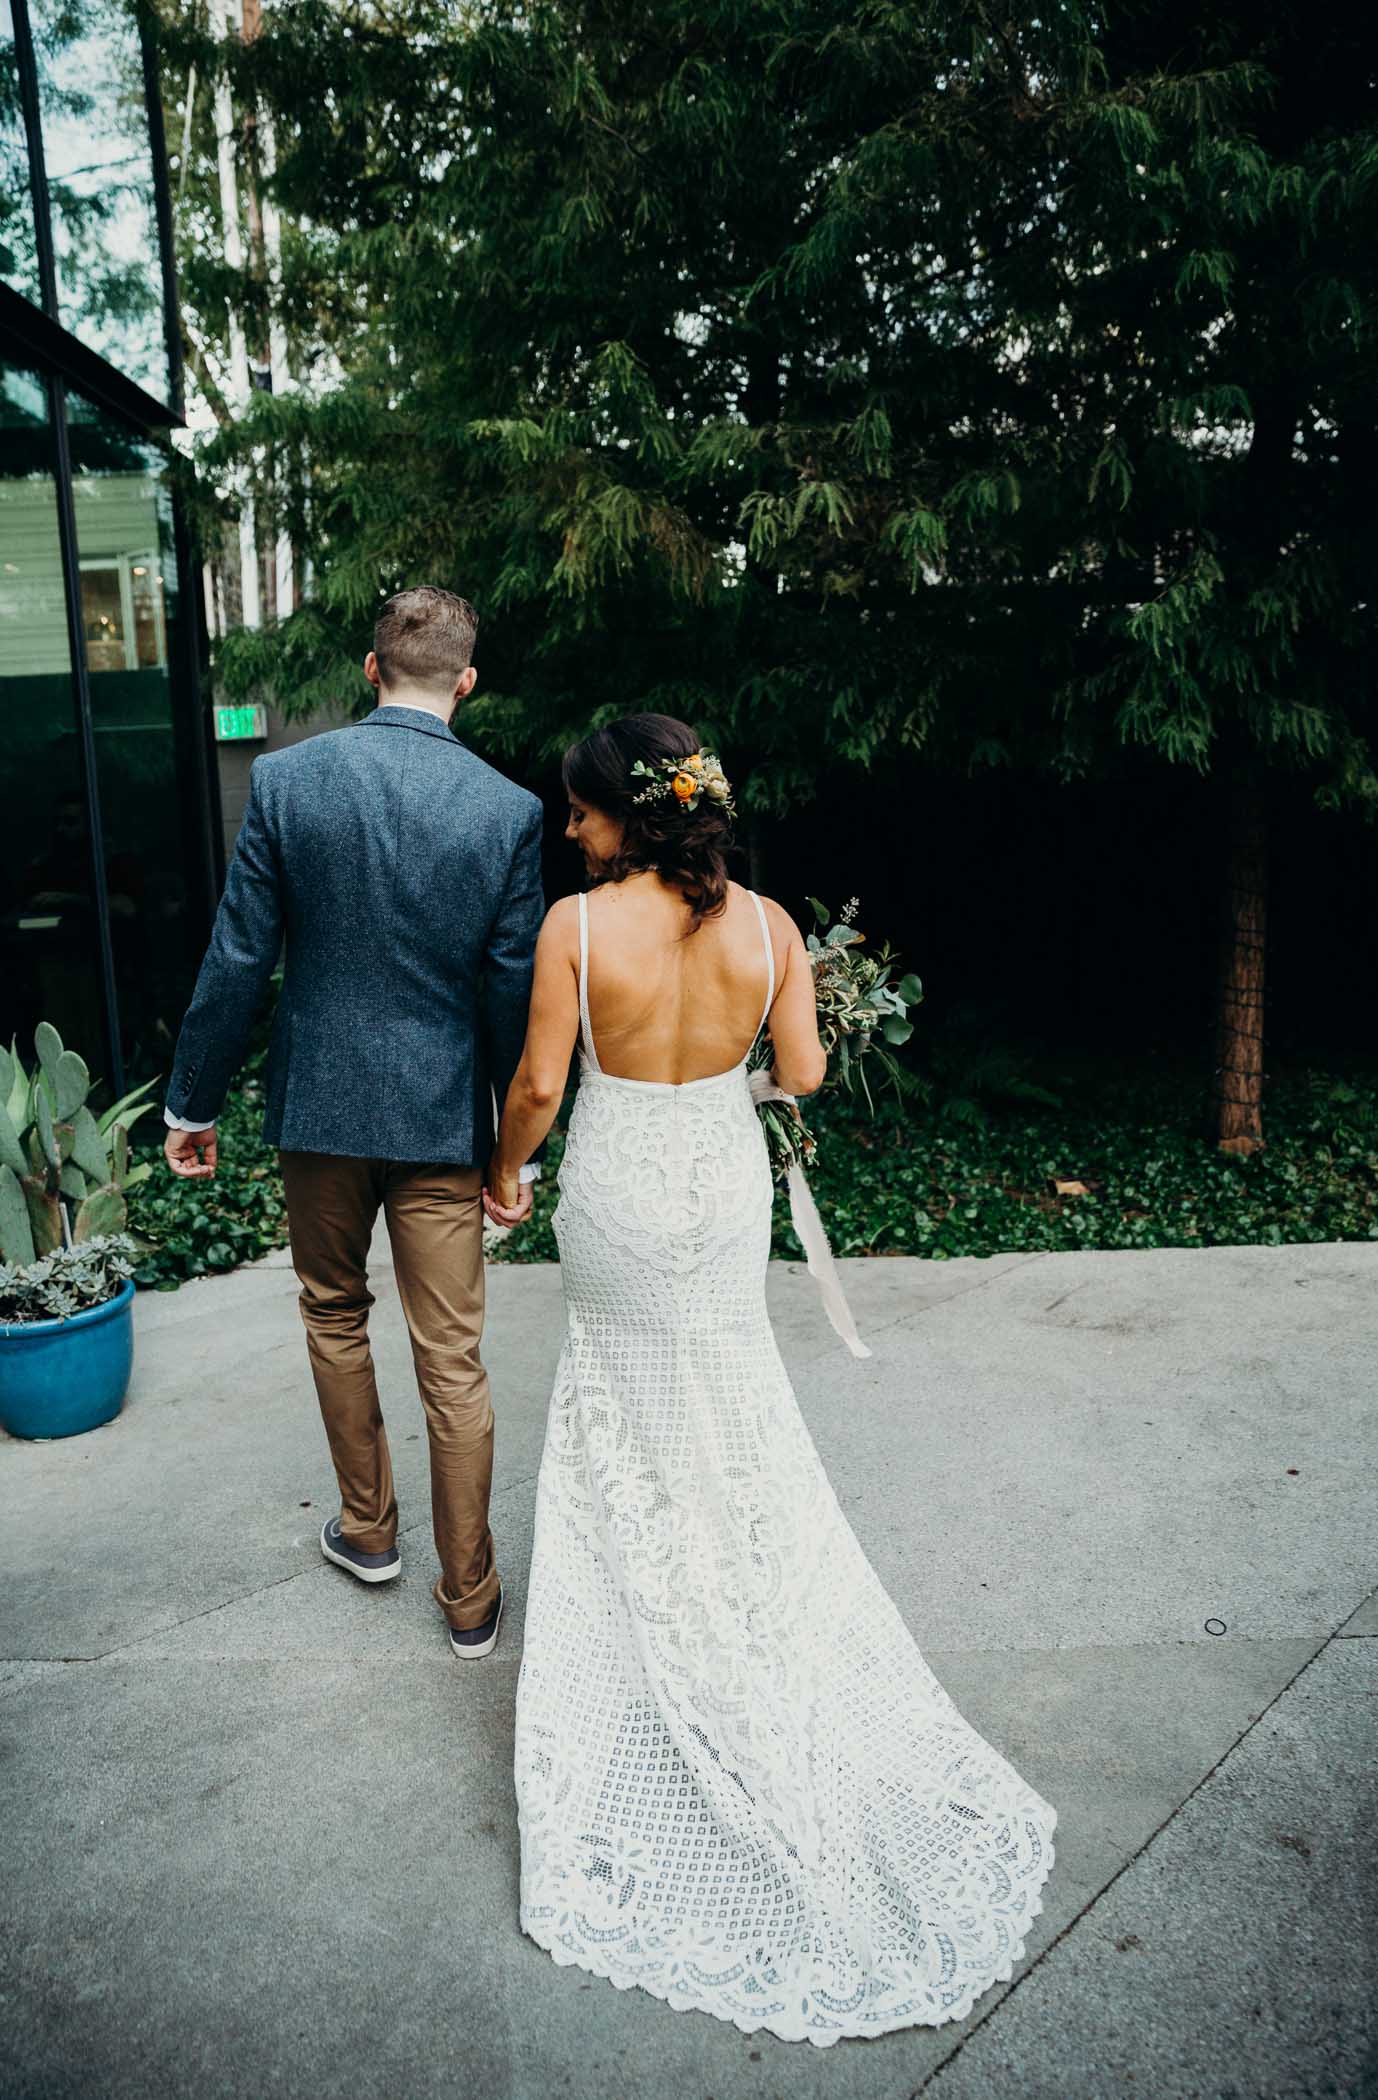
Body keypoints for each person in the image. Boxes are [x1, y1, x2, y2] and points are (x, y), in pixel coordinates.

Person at [487, 713, 1057, 2046]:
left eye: (576, 811)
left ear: (623, 813)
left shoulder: (575, 932)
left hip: (622, 1191)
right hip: (718, 1189)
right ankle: (747, 1609)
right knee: (726, 1407)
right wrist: (727, 1059)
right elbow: (799, 1072)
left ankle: (650, 1662)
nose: (566, 831)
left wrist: (503, 1168)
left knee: (622, 1412)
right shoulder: (773, 927)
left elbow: (534, 1083)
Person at [162, 586, 543, 1658]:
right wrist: (512, 1152)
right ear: (465, 683)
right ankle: (469, 1596)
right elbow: (510, 995)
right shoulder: (506, 812)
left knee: (333, 1312)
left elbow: (239, 959)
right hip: (439, 1122)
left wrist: (191, 1101)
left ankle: (368, 1532)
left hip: (319, 1111)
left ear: (369, 671)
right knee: (452, 1360)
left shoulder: (286, 782)